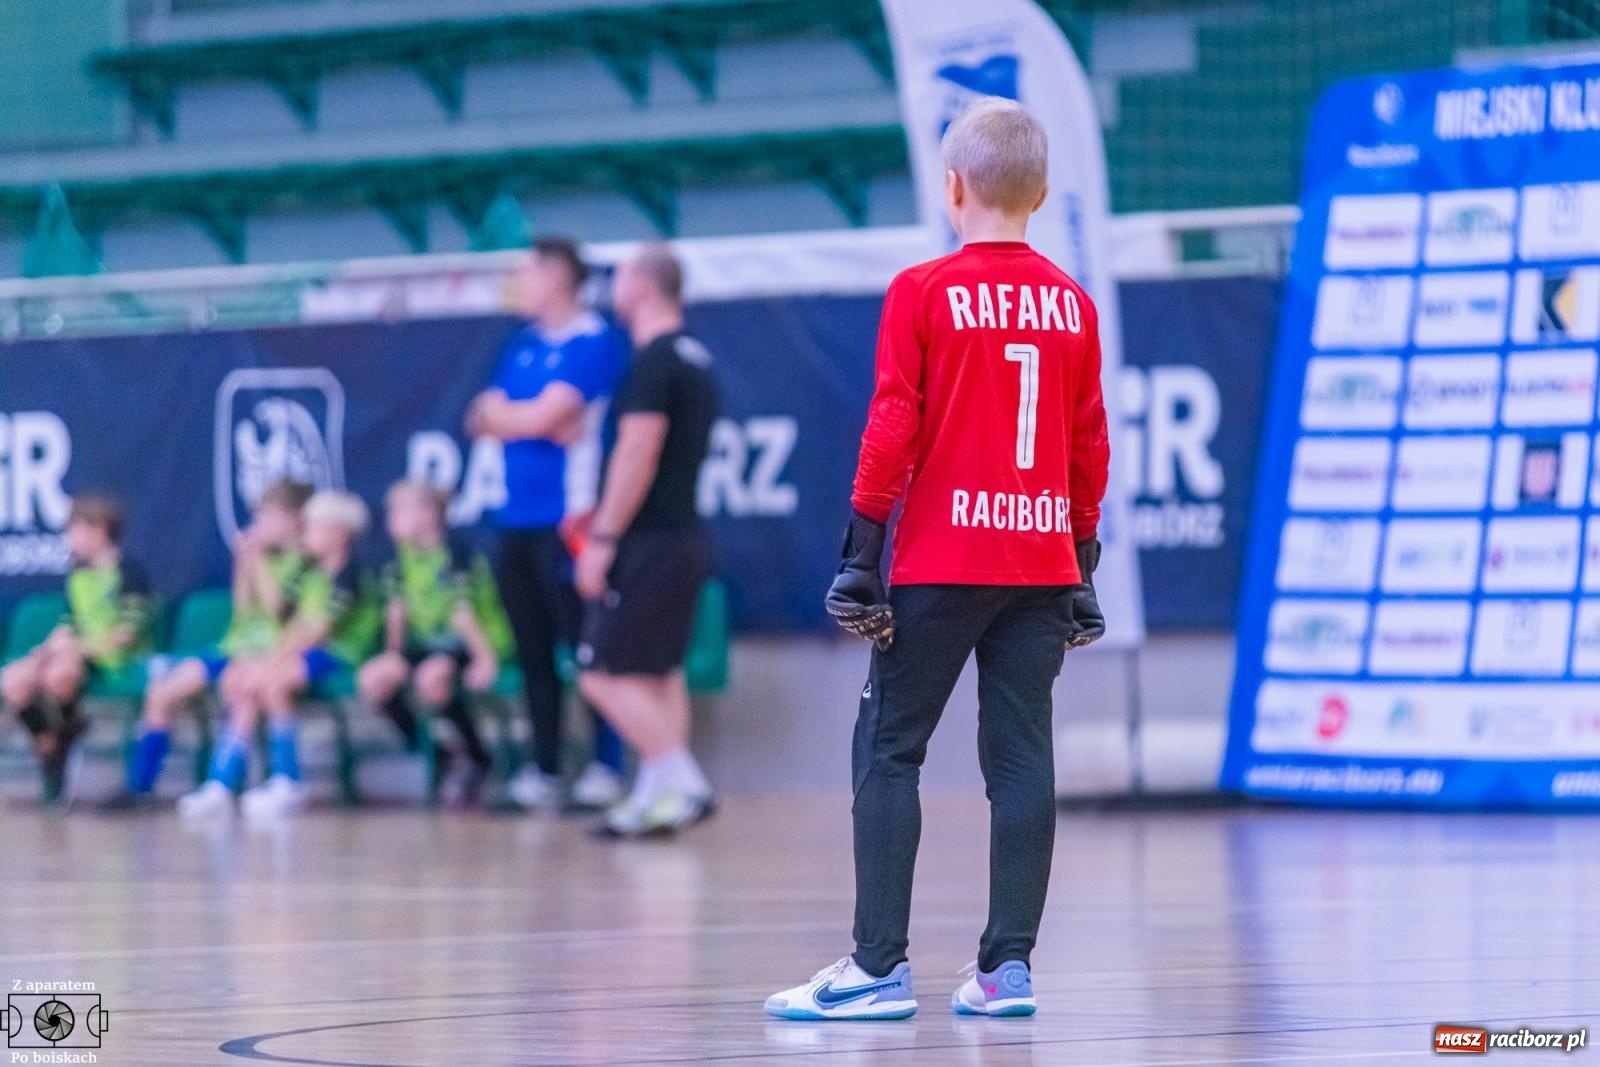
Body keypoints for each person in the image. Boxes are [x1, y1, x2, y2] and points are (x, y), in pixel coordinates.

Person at [765, 99, 1110, 1021]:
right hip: (1040, 566)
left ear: (953, 189)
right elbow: (1089, 444)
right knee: (1021, 756)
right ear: (1039, 193)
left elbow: (893, 426)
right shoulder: (1073, 304)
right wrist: (1083, 561)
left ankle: (877, 969)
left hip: (942, 560)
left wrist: (861, 551)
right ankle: (1007, 972)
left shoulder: (922, 291)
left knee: (889, 748)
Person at [468, 235, 629, 812]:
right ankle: (545, 767)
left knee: (586, 647)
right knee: (534, 651)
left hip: (570, 520)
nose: (519, 283)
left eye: (528, 272)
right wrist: (522, 420)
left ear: (559, 276)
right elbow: (480, 416)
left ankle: (607, 767)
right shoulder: (523, 346)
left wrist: (517, 417)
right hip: (516, 519)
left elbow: (549, 413)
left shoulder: (595, 340)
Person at [575, 244, 718, 838]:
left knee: (600, 671)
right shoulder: (695, 357)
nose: (614, 284)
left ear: (645, 284)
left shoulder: (655, 360)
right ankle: (658, 796)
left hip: (649, 540)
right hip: (683, 536)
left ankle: (682, 779)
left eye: (623, 274)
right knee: (658, 673)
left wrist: (604, 536)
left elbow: (638, 450)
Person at [173, 479, 316, 818]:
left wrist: (259, 561)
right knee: (201, 688)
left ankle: (285, 780)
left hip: (281, 652)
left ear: (294, 517)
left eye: (268, 514)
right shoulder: (262, 557)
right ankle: (220, 786)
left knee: (251, 687)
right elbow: (243, 611)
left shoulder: (305, 560)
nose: (259, 523)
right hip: (244, 648)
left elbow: (276, 610)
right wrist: (244, 566)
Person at [357, 481, 505, 805]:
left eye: (398, 510)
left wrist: (485, 658)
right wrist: (393, 656)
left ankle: (479, 759)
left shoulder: (456, 552)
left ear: (427, 514)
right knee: (374, 680)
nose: (391, 519)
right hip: (427, 644)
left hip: (473, 641)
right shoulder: (399, 556)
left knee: (433, 679)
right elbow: (397, 611)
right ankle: (438, 757)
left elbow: (463, 616)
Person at [1, 495, 152, 803]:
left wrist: (76, 648)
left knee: (61, 674)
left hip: (116, 661)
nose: (69, 539)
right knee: (15, 680)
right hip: (79, 653)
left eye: (74, 530)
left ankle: (61, 741)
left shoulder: (130, 573)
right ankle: (53, 745)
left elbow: (127, 636)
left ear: (98, 530)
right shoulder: (78, 575)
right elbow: (69, 624)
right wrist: (44, 652)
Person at [240, 490, 381, 818]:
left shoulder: (350, 575)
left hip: (342, 657)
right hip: (313, 655)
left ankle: (288, 781)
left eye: (315, 527)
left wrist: (274, 665)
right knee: (259, 680)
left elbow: (319, 631)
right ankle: (256, 780)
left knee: (274, 683)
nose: (306, 534)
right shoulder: (309, 572)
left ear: (340, 534)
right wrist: (272, 658)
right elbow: (291, 622)